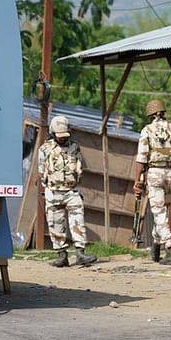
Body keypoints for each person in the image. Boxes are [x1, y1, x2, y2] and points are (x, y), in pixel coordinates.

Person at [133, 100, 171, 265]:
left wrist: (137, 181)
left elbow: (141, 159)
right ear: (163, 112)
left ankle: (169, 248)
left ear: (150, 115)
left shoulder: (147, 130)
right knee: (164, 210)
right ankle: (156, 248)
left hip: (155, 173)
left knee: (158, 213)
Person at [38, 115, 97, 268]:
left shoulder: (74, 147)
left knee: (78, 221)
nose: (63, 139)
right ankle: (61, 255)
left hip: (71, 191)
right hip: (53, 191)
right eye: (60, 136)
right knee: (55, 223)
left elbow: (79, 166)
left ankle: (80, 253)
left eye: (65, 136)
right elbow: (41, 170)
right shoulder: (45, 149)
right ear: (52, 133)